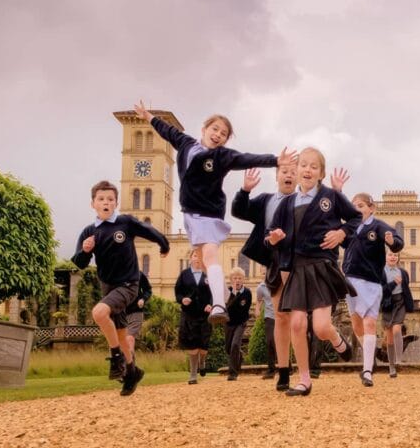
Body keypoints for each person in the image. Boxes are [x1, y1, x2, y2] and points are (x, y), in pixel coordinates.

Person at [134, 100, 291, 324]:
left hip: (208, 214)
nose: (218, 135)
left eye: (224, 134)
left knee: (209, 256)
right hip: (190, 215)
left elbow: (246, 158)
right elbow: (167, 131)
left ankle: (218, 304)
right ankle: (226, 295)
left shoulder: (222, 157)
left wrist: (275, 161)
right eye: (215, 129)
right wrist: (148, 116)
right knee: (205, 261)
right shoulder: (186, 143)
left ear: (225, 140)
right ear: (204, 130)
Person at [232, 164, 349, 389]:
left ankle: (313, 364)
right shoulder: (266, 201)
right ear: (276, 176)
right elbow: (239, 211)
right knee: (283, 317)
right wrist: (245, 190)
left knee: (311, 320)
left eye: (292, 172)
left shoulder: (306, 202)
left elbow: (332, 215)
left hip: (305, 264)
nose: (288, 175)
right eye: (283, 171)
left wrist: (337, 193)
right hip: (278, 263)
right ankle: (284, 370)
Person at [267, 147, 361, 396]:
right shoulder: (287, 203)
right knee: (297, 324)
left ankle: (338, 340)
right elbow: (272, 234)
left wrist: (341, 232)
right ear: (296, 171)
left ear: (321, 173)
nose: (307, 170)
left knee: (320, 327)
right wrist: (274, 239)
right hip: (297, 267)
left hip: (321, 267)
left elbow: (355, 219)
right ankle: (304, 380)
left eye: (313, 167)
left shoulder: (331, 196)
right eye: (303, 165)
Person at [72, 180, 169, 396]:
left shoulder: (125, 223)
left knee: (98, 312)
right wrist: (86, 251)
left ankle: (115, 357)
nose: (106, 202)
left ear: (115, 202)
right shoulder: (89, 231)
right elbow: (79, 263)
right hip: (108, 288)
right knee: (123, 336)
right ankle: (132, 372)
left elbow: (148, 230)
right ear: (93, 204)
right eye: (101, 199)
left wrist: (164, 244)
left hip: (128, 285)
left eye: (110, 199)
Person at [340, 192, 404, 386]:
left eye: (360, 205)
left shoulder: (378, 226)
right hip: (350, 281)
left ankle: (367, 371)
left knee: (369, 325)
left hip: (372, 283)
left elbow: (398, 242)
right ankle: (371, 355)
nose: (357, 209)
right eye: (354, 206)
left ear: (371, 208)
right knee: (356, 325)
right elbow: (339, 241)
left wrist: (392, 242)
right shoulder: (350, 227)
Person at [175, 249, 214, 385]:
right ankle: (193, 375)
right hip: (189, 314)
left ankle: (202, 362)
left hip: (204, 315)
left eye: (199, 256)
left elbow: (213, 293)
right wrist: (183, 299)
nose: (197, 258)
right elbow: (178, 293)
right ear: (190, 258)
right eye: (195, 255)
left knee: (203, 346)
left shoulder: (207, 274)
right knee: (192, 344)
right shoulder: (184, 275)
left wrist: (210, 304)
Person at [380, 250, 413, 379]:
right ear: (386, 257)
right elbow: (381, 290)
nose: (393, 257)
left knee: (397, 329)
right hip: (387, 304)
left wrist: (408, 304)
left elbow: (406, 288)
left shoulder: (403, 272)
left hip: (400, 303)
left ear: (398, 258)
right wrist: (394, 283)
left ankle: (399, 359)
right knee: (389, 337)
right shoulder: (381, 272)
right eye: (390, 255)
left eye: (395, 255)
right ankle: (391, 366)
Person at [224, 267, 252, 381]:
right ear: (231, 280)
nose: (237, 280)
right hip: (229, 323)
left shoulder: (247, 293)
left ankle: (233, 373)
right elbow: (227, 308)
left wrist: (236, 296)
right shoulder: (228, 292)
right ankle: (239, 357)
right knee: (228, 348)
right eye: (235, 278)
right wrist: (234, 294)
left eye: (239, 278)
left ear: (243, 279)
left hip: (241, 322)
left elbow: (243, 309)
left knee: (235, 345)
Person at [124, 271, 153, 363]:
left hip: (136, 311)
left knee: (129, 338)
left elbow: (148, 290)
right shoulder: (115, 274)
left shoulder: (139, 274)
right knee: (122, 341)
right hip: (120, 312)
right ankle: (129, 367)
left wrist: (143, 299)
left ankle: (129, 367)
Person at [253, 280, 277, 379]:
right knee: (270, 341)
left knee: (280, 341)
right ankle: (271, 370)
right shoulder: (261, 287)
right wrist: (257, 309)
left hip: (281, 316)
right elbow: (259, 300)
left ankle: (287, 367)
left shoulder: (279, 283)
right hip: (269, 316)